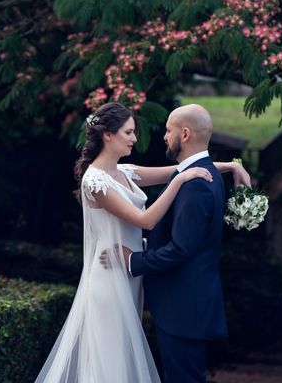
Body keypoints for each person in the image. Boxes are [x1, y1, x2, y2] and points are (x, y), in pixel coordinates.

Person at [35, 102, 249, 382]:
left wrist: (231, 166)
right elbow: (146, 220)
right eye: (129, 132)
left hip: (130, 273)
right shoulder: (94, 182)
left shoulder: (125, 172)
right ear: (108, 135)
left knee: (124, 356)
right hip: (110, 272)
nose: (135, 139)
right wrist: (179, 181)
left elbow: (178, 169)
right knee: (110, 359)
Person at [113, 104, 234, 383]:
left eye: (169, 130)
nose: (165, 137)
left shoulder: (197, 183)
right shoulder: (201, 173)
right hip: (186, 306)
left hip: (184, 309)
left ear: (185, 133)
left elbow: (182, 247)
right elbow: (181, 235)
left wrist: (134, 260)